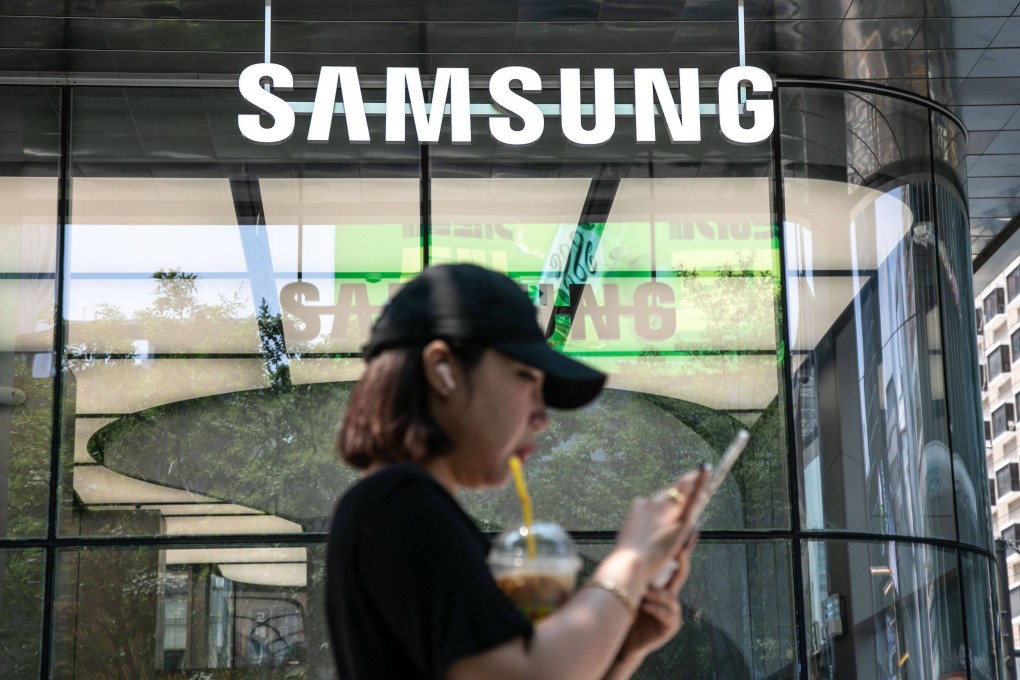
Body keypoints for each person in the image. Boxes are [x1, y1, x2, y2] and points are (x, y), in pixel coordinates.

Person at [326, 263, 709, 680]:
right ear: (443, 369)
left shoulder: (393, 504)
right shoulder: (400, 501)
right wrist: (631, 560)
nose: (542, 415)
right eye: (526, 376)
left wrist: (619, 650)